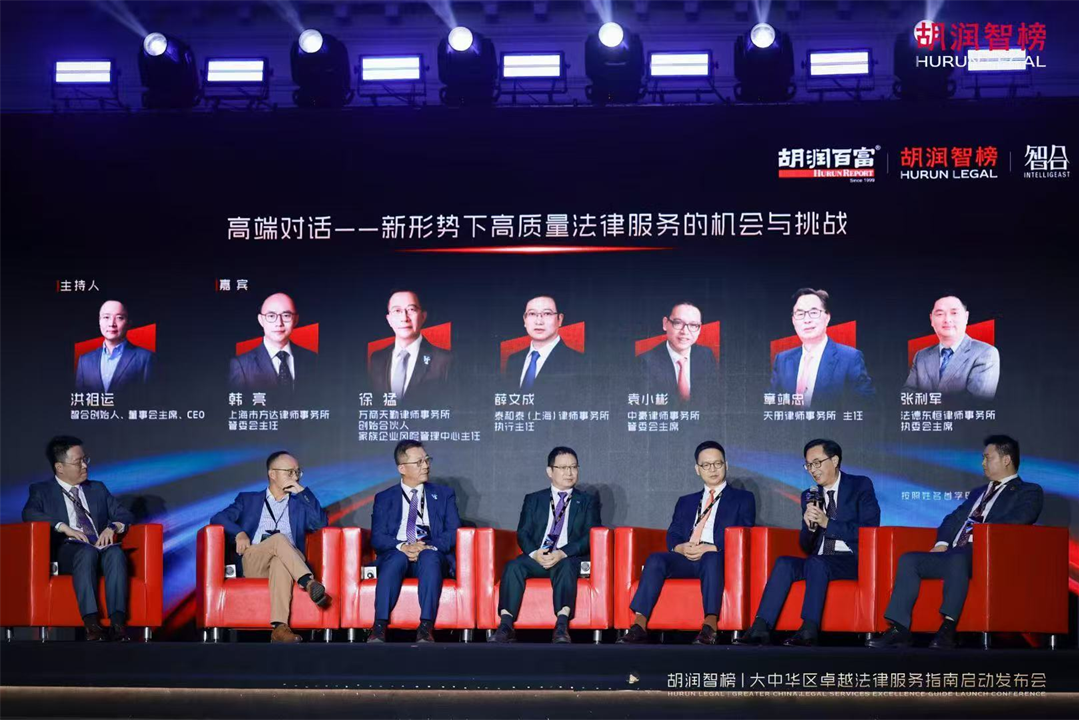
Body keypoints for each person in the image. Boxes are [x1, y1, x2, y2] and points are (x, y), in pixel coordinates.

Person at [868, 435, 1042, 649]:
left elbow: (1021, 519)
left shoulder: (1028, 491)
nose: (983, 463)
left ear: (1006, 460)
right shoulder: (979, 492)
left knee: (958, 558)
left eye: (987, 457)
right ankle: (900, 629)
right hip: (956, 554)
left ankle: (949, 628)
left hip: (987, 555)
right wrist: (941, 542)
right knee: (910, 560)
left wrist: (981, 533)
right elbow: (954, 518)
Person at [736, 439, 880, 647]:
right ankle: (760, 627)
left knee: (817, 563)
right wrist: (811, 529)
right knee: (785, 563)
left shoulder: (860, 486)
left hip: (851, 559)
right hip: (819, 561)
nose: (813, 470)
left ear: (834, 460)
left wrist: (827, 523)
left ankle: (809, 629)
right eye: (809, 465)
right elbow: (806, 546)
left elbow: (869, 529)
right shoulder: (809, 495)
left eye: (817, 463)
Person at [619, 441, 756, 645]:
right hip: (687, 557)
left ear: (726, 465)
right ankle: (639, 625)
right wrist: (679, 547)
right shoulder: (686, 501)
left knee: (710, 558)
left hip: (717, 557)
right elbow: (673, 532)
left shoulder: (743, 498)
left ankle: (710, 626)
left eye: (717, 464)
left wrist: (713, 547)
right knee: (656, 559)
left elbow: (744, 531)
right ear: (697, 469)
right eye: (706, 465)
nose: (712, 469)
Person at [22, 436, 136, 641]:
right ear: (59, 467)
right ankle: (91, 624)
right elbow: (29, 513)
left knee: (116, 553)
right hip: (70, 551)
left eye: (85, 459)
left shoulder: (97, 489)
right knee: (86, 552)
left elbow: (124, 514)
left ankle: (118, 625)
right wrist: (63, 527)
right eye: (78, 462)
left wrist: (112, 527)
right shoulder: (42, 490)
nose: (84, 466)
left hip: (99, 547)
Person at [209, 451, 330, 643]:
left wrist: (302, 492)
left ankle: (280, 628)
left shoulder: (299, 503)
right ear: (272, 474)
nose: (295, 477)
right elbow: (218, 518)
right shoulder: (248, 500)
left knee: (280, 561)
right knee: (279, 539)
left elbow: (320, 524)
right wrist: (239, 533)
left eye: (298, 472)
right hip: (255, 559)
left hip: (288, 562)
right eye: (289, 472)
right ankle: (307, 581)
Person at [489, 447, 602, 644]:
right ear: (550, 471)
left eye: (574, 467)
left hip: (567, 557)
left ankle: (561, 625)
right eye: (563, 468)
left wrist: (562, 553)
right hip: (539, 555)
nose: (569, 472)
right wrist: (535, 553)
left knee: (566, 566)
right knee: (514, 566)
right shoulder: (534, 499)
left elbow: (590, 536)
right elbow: (523, 532)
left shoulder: (586, 501)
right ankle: (506, 625)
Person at [368, 440, 461, 643]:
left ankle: (426, 626)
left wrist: (428, 546)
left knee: (429, 557)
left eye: (427, 460)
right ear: (402, 468)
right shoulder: (384, 498)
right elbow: (378, 537)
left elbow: (453, 532)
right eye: (419, 462)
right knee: (395, 559)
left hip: (431, 553)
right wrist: (403, 546)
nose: (426, 466)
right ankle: (379, 626)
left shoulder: (444, 495)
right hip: (398, 552)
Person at [770, 288, 874, 408]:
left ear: (827, 317)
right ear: (793, 321)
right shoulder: (782, 359)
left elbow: (866, 406)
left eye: (814, 313)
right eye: (800, 314)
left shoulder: (850, 358)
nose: (807, 320)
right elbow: (771, 403)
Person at [903, 295, 1000, 401]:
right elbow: (907, 396)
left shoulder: (986, 354)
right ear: (931, 319)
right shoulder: (921, 356)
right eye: (940, 314)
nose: (947, 320)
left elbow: (977, 402)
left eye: (954, 313)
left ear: (966, 317)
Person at [368, 290, 452, 404]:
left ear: (423, 316)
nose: (404, 318)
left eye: (411, 309)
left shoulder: (444, 360)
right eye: (397, 311)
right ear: (389, 319)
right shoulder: (377, 358)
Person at [228, 293, 316, 394]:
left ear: (296, 320)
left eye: (286, 315)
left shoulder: (312, 358)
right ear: (261, 320)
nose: (279, 323)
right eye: (271, 316)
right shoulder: (241, 365)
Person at [637, 302, 719, 404]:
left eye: (693, 325)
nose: (685, 331)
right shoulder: (645, 362)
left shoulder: (706, 354)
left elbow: (714, 398)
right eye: (678, 323)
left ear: (699, 329)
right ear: (665, 324)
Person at [505, 295, 584, 392]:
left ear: (560, 319)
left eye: (547, 313)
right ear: (524, 320)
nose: (539, 322)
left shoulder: (577, 362)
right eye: (532, 314)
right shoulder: (513, 360)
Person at [75, 300, 154, 393]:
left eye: (119, 318)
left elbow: (150, 397)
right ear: (99, 321)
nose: (111, 324)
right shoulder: (84, 360)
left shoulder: (145, 358)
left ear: (129, 323)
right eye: (106, 317)